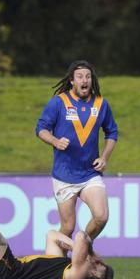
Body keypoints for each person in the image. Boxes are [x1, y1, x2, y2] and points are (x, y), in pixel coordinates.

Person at [35, 60, 118, 241]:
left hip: (90, 173)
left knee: (101, 216)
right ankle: (55, 265)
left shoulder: (101, 104)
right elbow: (40, 129)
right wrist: (55, 141)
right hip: (64, 174)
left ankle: (82, 245)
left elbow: (112, 132)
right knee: (67, 227)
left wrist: (104, 157)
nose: (84, 80)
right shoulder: (59, 102)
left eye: (88, 76)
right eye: (80, 76)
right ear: (72, 81)